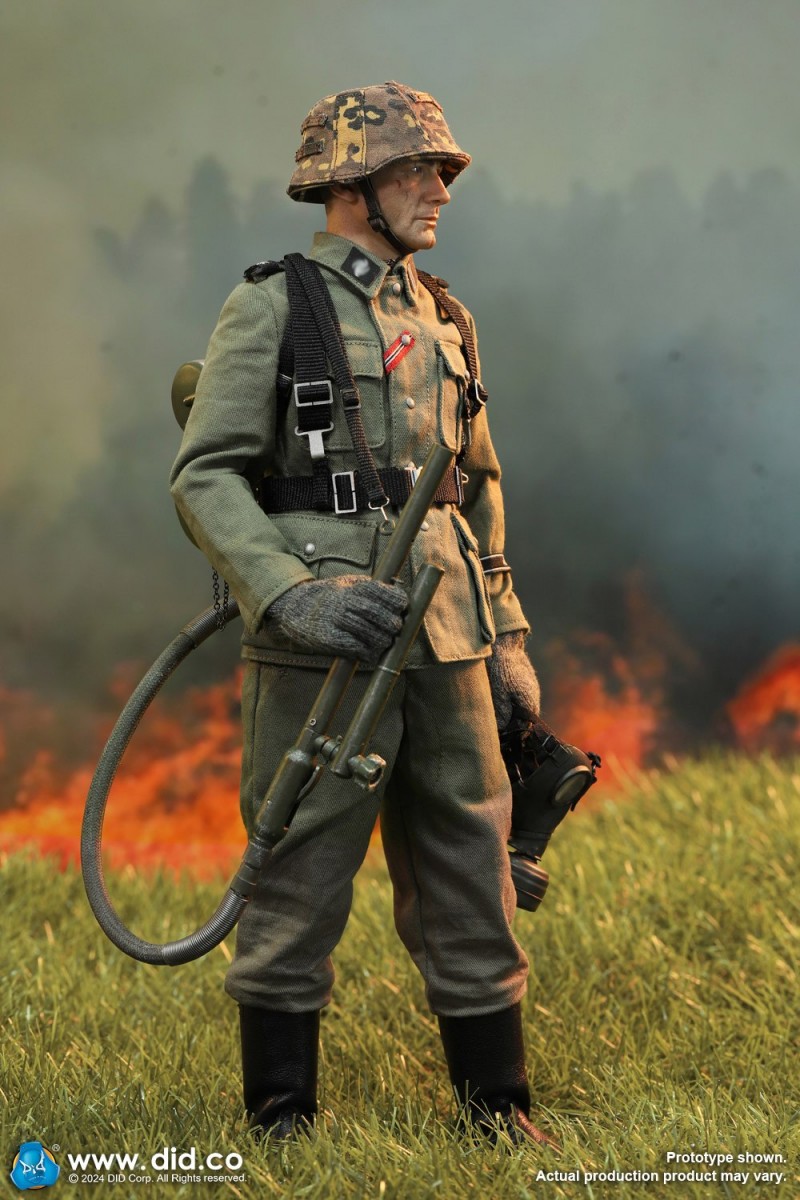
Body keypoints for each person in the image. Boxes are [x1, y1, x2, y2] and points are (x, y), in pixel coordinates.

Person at [170, 81, 556, 1149]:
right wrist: (291, 593)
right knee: (297, 864)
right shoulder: (273, 305)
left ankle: (496, 1110)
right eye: (416, 170)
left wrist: (507, 637)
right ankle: (280, 1121)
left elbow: (477, 486)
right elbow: (205, 475)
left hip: (449, 631)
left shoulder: (445, 315)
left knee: (473, 861)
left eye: (441, 171)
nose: (440, 190)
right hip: (325, 641)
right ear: (351, 186)